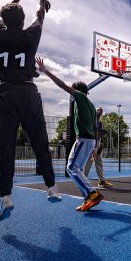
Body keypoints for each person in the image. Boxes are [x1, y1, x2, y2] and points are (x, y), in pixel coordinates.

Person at [0, 0, 61, 221]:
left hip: (7, 94)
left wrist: (13, 0)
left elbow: (1, 17)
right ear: (22, 21)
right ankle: (51, 188)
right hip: (29, 93)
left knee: (7, 147)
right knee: (40, 142)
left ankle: (6, 197)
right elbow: (38, 18)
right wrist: (42, 5)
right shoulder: (31, 35)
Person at [35, 56, 104, 211]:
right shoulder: (91, 106)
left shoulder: (80, 97)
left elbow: (63, 85)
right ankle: (89, 197)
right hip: (90, 140)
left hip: (84, 139)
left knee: (72, 168)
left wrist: (45, 71)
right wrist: (95, 146)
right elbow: (95, 127)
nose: (71, 94)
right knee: (74, 169)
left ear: (77, 91)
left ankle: (93, 193)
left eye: (73, 91)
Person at [84, 108, 112, 188]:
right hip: (92, 143)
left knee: (99, 163)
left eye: (101, 110)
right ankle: (83, 181)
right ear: (94, 111)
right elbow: (93, 133)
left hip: (97, 143)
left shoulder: (99, 123)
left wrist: (101, 143)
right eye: (98, 110)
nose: (100, 111)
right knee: (89, 162)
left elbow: (99, 134)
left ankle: (101, 181)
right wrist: (94, 145)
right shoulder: (91, 121)